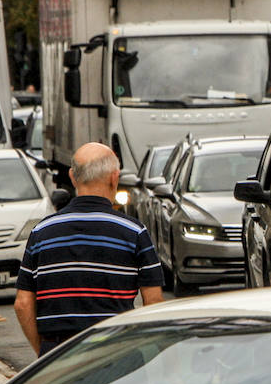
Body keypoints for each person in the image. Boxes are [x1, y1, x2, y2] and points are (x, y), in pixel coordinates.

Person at [14, 143, 165, 356]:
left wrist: (45, 355)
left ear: (73, 177)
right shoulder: (134, 232)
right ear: (114, 177)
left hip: (58, 352)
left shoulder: (41, 232)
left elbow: (22, 304)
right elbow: (153, 302)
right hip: (118, 350)